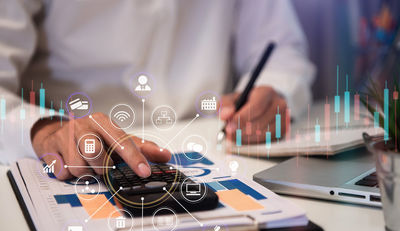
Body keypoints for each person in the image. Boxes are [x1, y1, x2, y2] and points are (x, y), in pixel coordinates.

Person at [0, 0, 315, 179]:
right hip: (77, 162)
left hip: (214, 149)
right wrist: (44, 130)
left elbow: (280, 48)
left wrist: (272, 91)